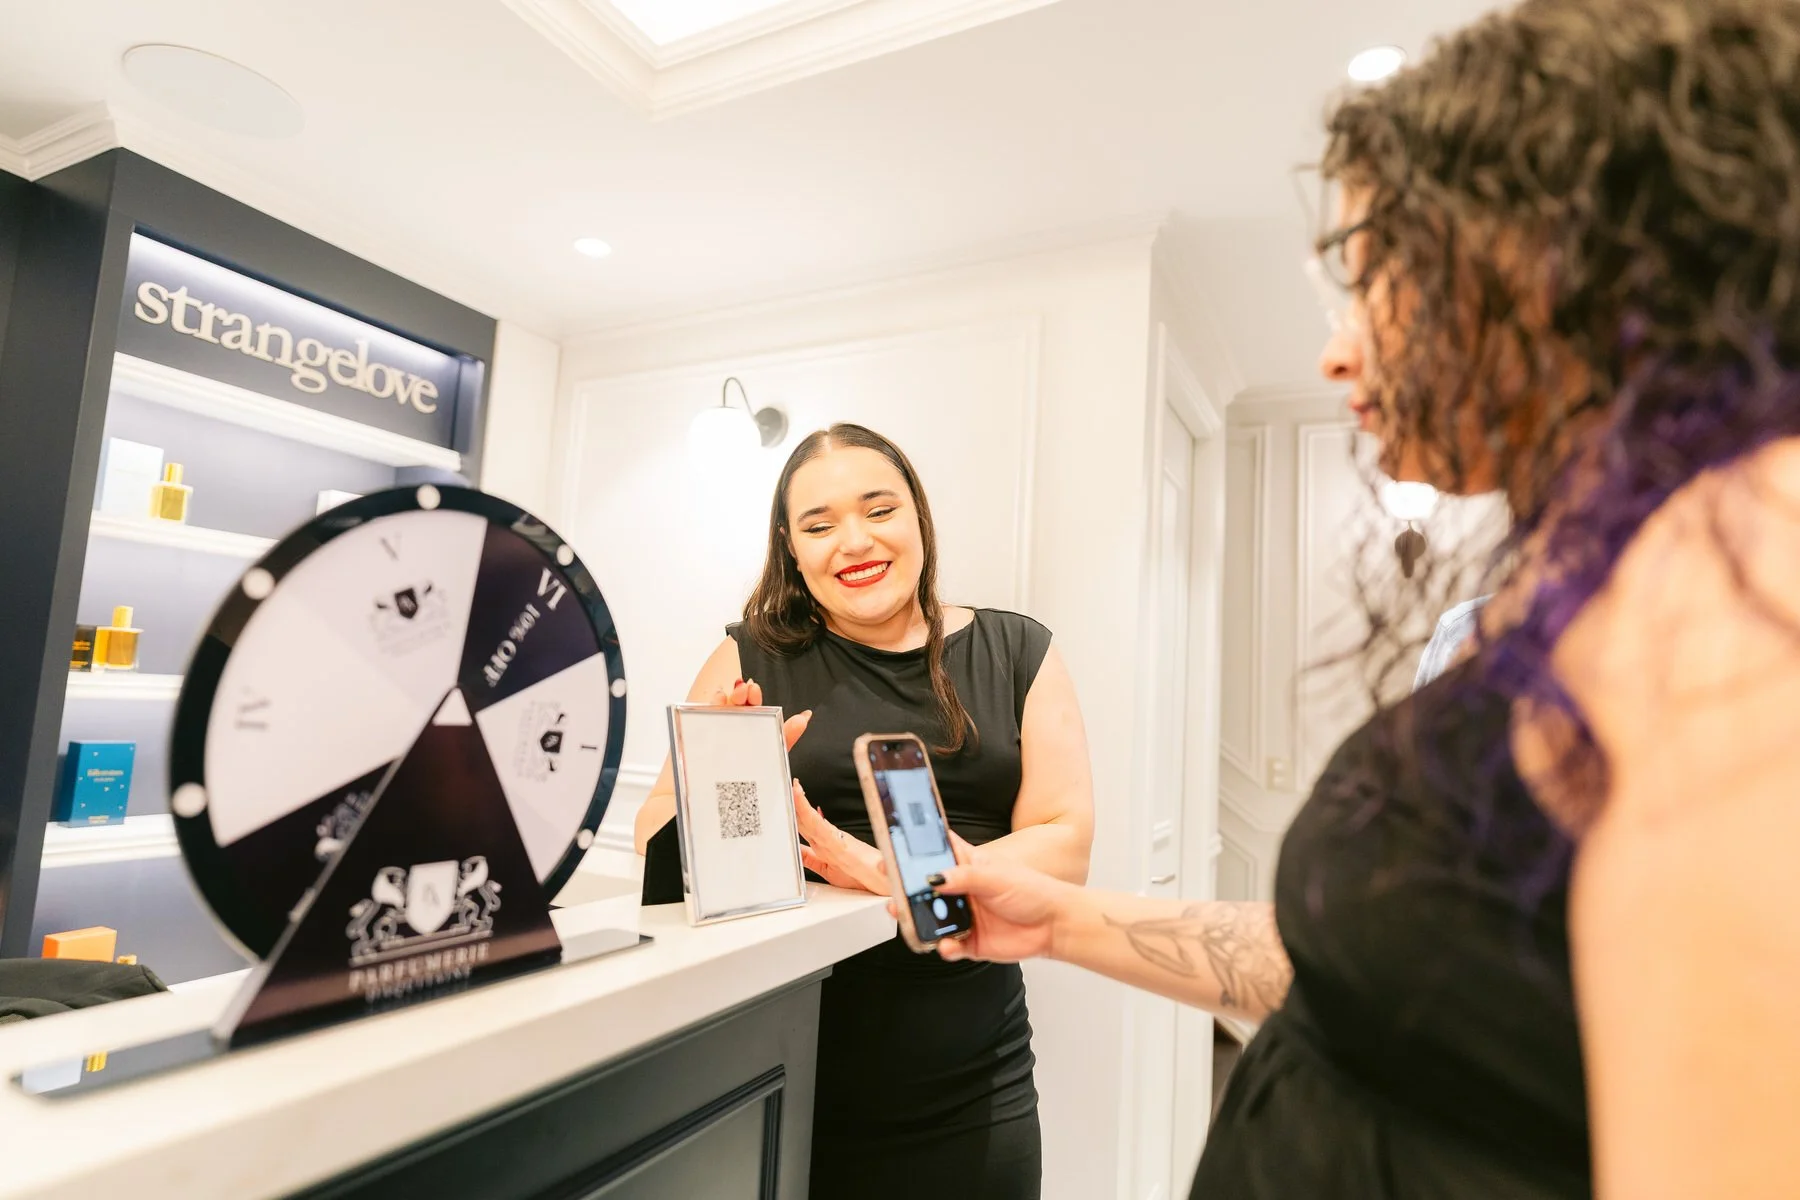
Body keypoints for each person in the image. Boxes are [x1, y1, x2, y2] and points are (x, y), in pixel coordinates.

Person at [898, 2, 1800, 1196]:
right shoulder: (1605, 575)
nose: (1337, 352)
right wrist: (1057, 920)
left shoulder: (1736, 566)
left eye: (1378, 277)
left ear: (1550, 257)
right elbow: (1385, 980)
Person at [634, 422, 1094, 1200]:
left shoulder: (1018, 650)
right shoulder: (749, 656)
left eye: (878, 509)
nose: (853, 541)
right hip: (787, 1070)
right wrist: (729, 786)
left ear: (917, 514)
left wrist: (894, 872)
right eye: (818, 525)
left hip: (975, 1083)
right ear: (791, 544)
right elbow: (654, 842)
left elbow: (1065, 844)